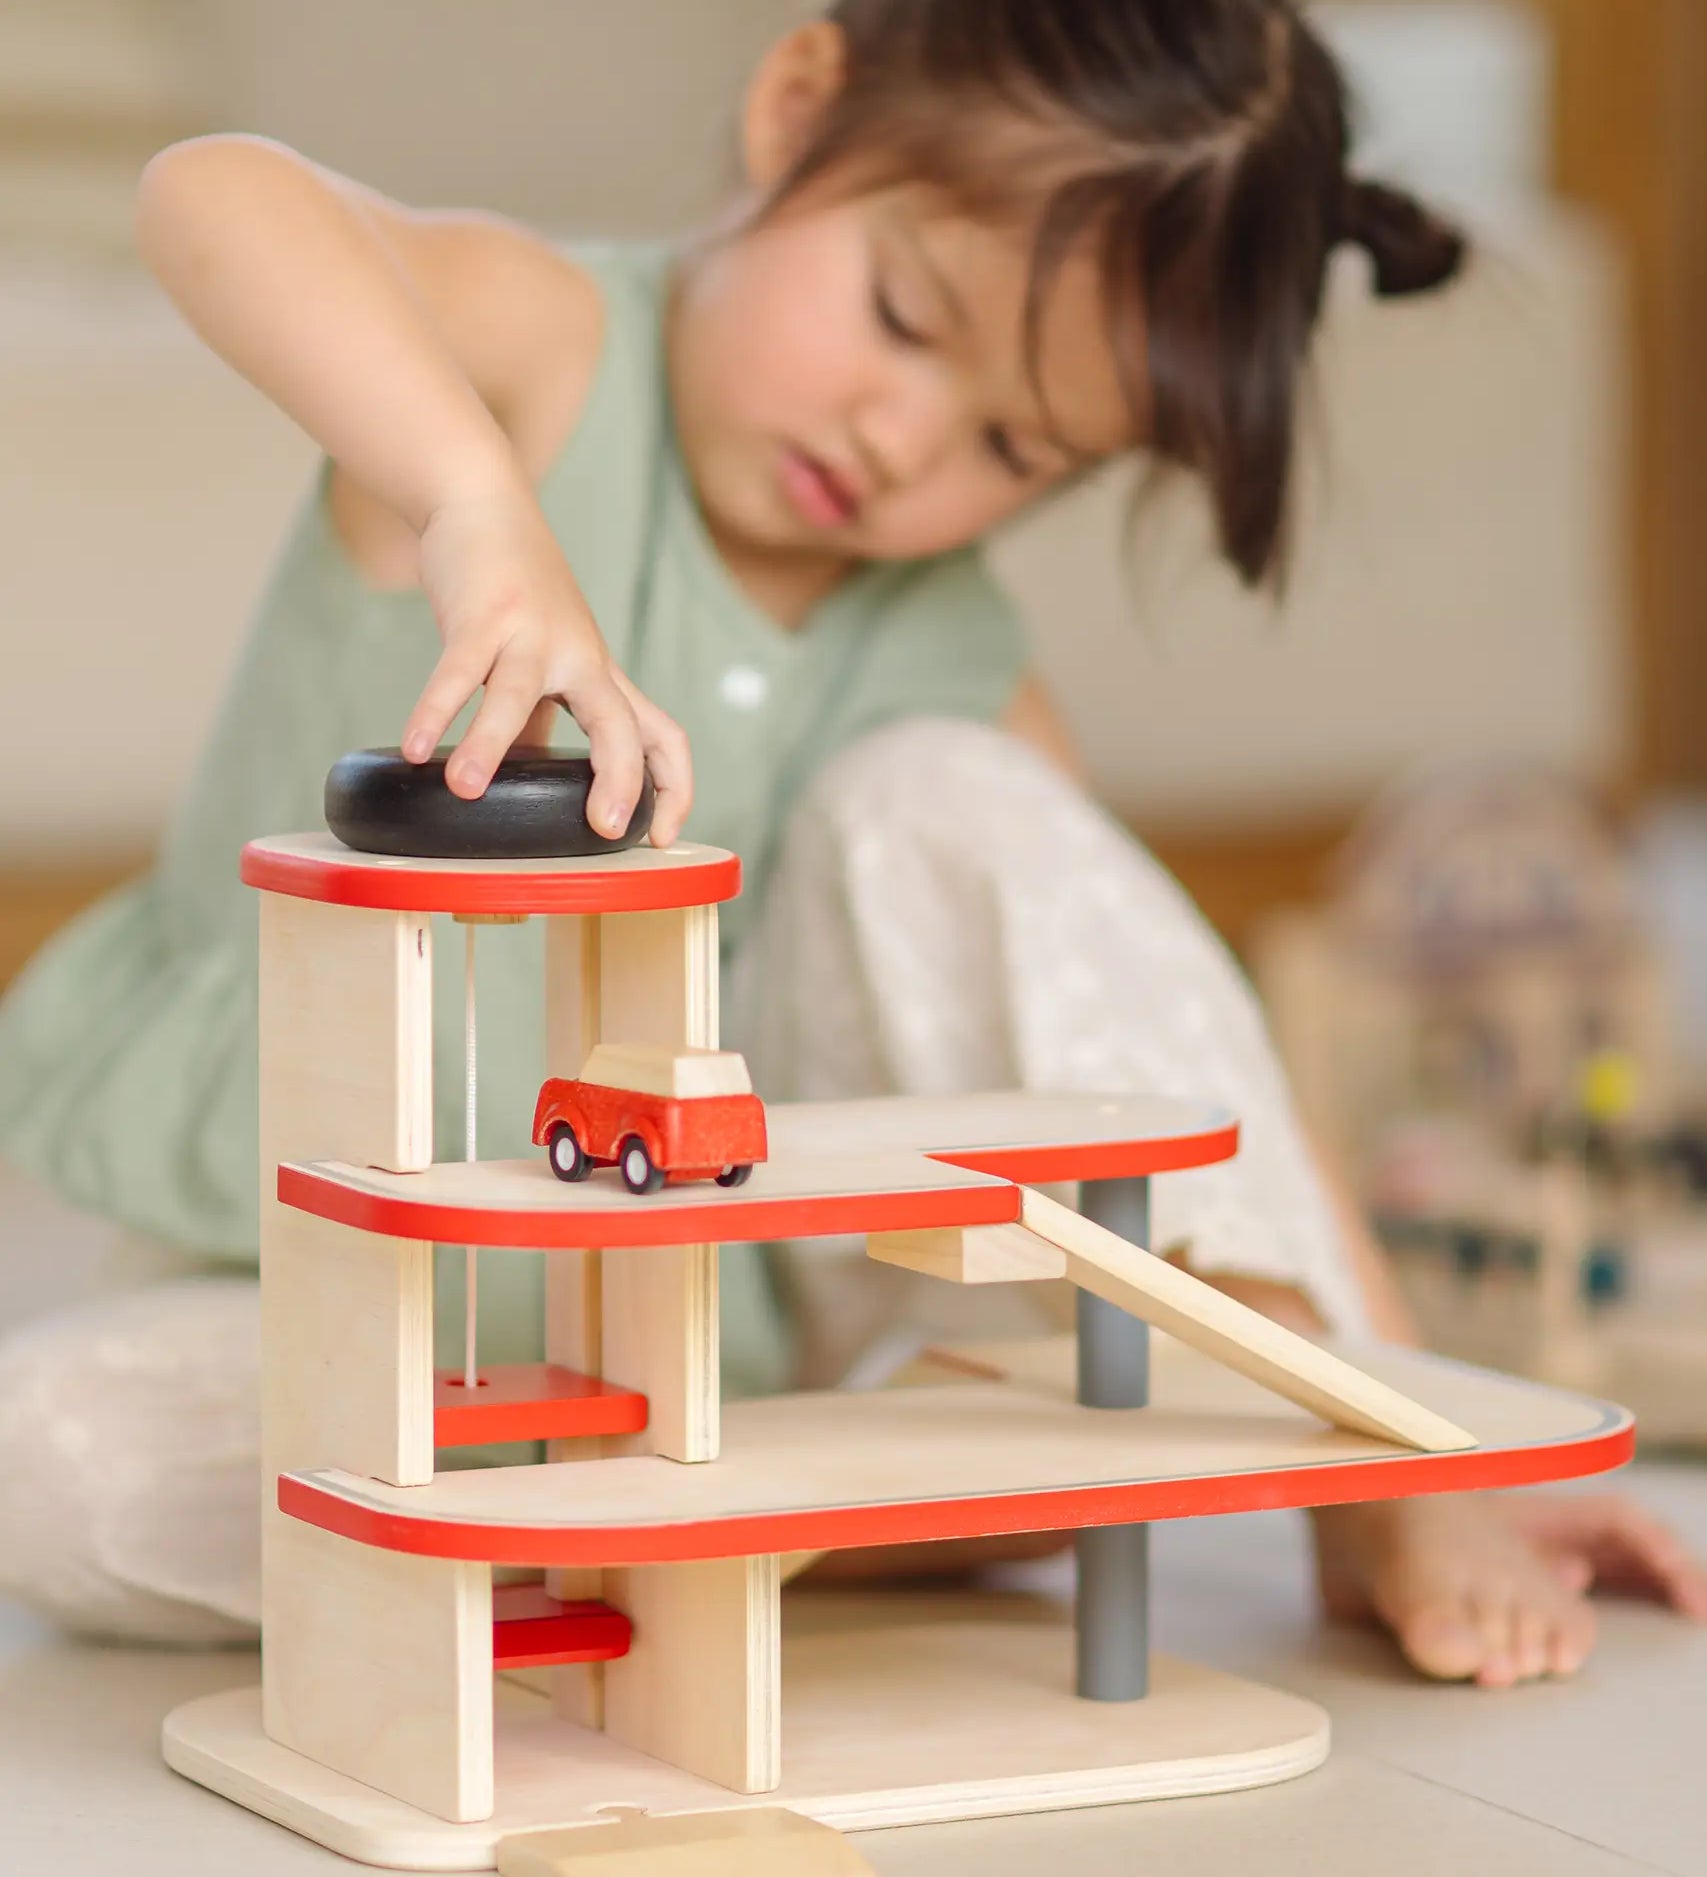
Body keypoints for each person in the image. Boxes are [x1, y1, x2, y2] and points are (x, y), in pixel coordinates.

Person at [1, 0, 1701, 1683]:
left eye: (1013, 447)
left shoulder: (944, 653)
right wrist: (472, 503)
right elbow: (213, 193)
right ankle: (760, 1518)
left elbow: (1167, 1038)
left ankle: (1300, 1464)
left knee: (962, 798)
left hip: (701, 1329)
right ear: (800, 103)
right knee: (59, 1465)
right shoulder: (543, 363)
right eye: (904, 315)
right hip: (320, 1304)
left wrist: (1418, 1435)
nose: (903, 442)